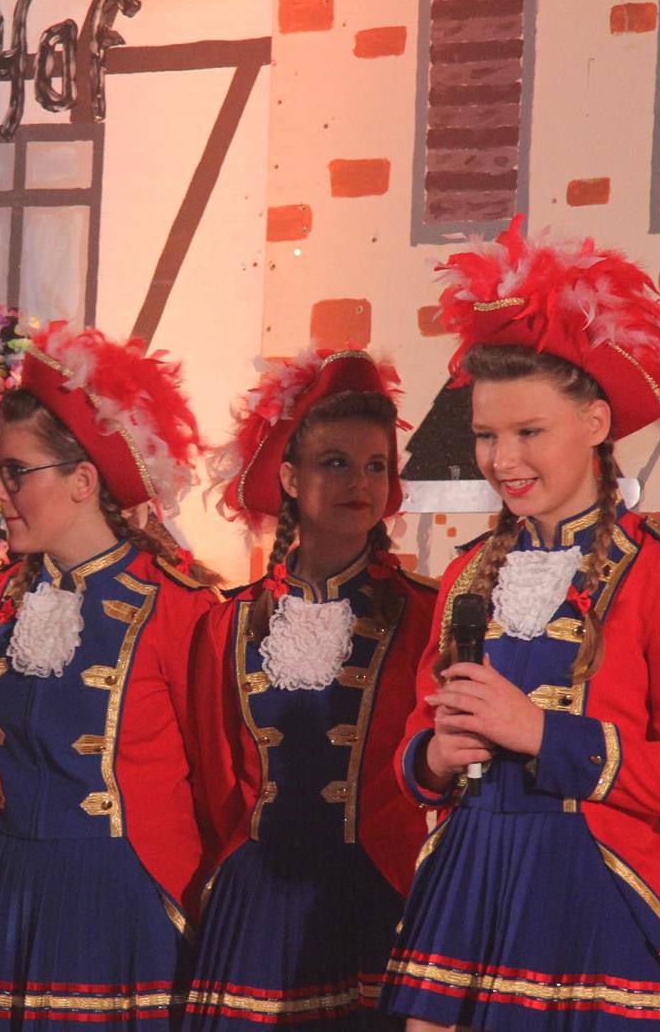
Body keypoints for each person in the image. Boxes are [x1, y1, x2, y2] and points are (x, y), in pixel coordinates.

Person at [378, 220, 660, 1030]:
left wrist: (542, 733)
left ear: (596, 424)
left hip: (595, 902)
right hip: (465, 894)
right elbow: (414, 749)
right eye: (486, 435)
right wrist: (432, 757)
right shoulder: (466, 576)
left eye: (528, 432)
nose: (502, 460)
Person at [0, 323, 221, 1031]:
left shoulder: (181, 608)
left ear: (83, 481)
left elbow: (222, 787)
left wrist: (184, 905)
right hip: (5, 899)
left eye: (16, 472)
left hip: (124, 904)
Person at [186, 349, 435, 1029]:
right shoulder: (226, 623)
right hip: (256, 906)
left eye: (376, 465)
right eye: (336, 462)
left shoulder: (424, 615)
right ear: (291, 478)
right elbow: (213, 782)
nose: (360, 482)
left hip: (379, 903)